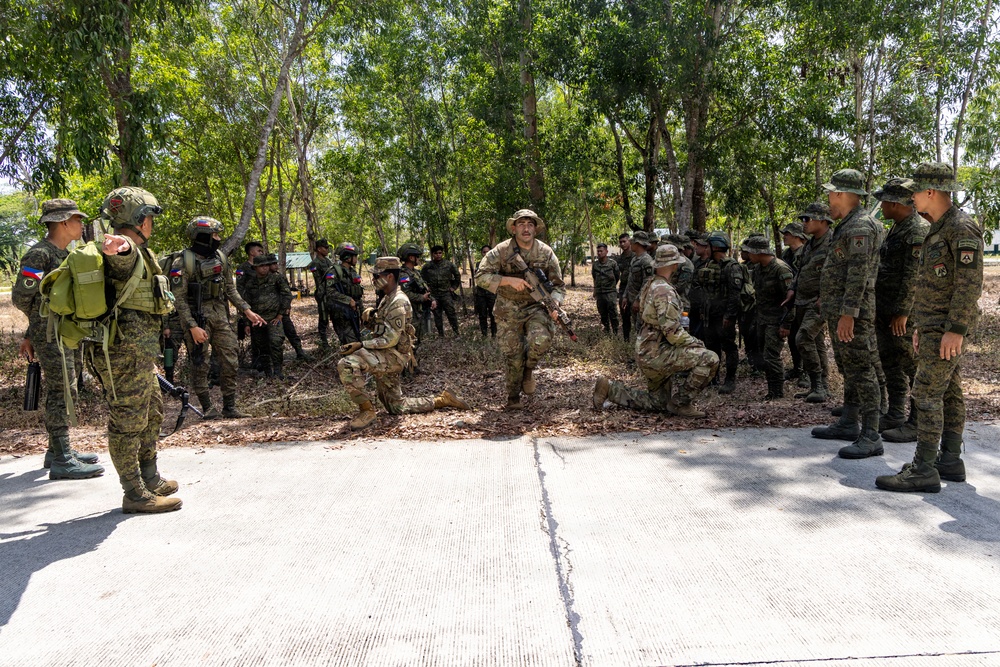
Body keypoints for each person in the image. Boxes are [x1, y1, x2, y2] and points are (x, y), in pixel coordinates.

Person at [876, 163, 984, 493]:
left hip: (947, 326)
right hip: (934, 324)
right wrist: (921, 325)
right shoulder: (938, 227)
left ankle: (923, 468)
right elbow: (930, 283)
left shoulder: (960, 227)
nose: (911, 198)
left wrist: (955, 329)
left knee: (925, 393)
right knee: (948, 392)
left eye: (914, 192)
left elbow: (969, 283)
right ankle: (949, 461)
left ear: (931, 192)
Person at [93, 187, 180, 513]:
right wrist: (121, 246)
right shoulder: (123, 248)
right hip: (122, 353)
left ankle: (149, 478)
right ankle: (134, 494)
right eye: (150, 219)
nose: (151, 225)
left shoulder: (143, 251)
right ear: (140, 221)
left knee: (152, 411)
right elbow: (120, 256)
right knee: (128, 421)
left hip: (139, 353)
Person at [12, 199, 104, 480]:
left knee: (67, 387)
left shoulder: (65, 254)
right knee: (62, 390)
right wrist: (39, 325)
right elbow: (22, 297)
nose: (81, 224)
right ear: (64, 222)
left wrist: (31, 332)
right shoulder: (39, 255)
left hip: (64, 331)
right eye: (78, 219)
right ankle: (63, 460)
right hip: (51, 333)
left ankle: (56, 452)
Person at [338, 256, 469, 430]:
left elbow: (390, 339)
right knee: (396, 407)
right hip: (387, 354)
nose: (374, 279)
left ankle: (367, 412)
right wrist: (371, 320)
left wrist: (361, 345)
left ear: (389, 276)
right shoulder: (388, 298)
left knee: (347, 363)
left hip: (393, 357)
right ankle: (442, 400)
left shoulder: (398, 301)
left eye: (377, 276)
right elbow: (385, 329)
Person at [593, 244, 719, 417]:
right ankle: (680, 404)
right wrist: (696, 343)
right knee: (710, 358)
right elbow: (673, 334)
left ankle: (610, 389)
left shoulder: (651, 284)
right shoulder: (664, 291)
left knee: (658, 402)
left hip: (647, 349)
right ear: (674, 265)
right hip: (657, 353)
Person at [811, 169, 883, 460]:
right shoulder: (849, 224)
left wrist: (848, 314)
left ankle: (871, 435)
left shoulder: (860, 226)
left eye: (831, 193)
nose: (828, 199)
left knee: (863, 372)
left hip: (852, 314)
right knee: (851, 369)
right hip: (840, 310)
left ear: (841, 194)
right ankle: (849, 422)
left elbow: (858, 273)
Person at [168, 217, 265, 419]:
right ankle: (207, 408)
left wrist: (246, 310)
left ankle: (230, 407)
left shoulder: (221, 257)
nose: (219, 239)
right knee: (199, 363)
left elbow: (230, 288)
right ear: (203, 237)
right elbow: (179, 299)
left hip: (219, 313)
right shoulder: (183, 262)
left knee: (230, 357)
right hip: (196, 317)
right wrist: (192, 327)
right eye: (215, 235)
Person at [475, 209, 566, 409]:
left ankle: (529, 370)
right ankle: (513, 397)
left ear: (535, 229)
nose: (526, 228)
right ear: (514, 228)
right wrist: (507, 280)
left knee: (540, 340)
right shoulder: (501, 251)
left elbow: (558, 286)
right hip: (507, 308)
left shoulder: (545, 252)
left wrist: (555, 303)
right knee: (513, 355)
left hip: (536, 306)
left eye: (530, 224)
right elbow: (480, 277)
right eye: (521, 224)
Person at [870, 178, 929, 442]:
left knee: (911, 364)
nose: (881, 206)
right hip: (885, 308)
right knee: (890, 361)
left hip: (904, 314)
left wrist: (903, 312)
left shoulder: (917, 230)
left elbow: (913, 276)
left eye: (884, 201)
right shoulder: (897, 227)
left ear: (895, 203)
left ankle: (918, 421)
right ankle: (895, 413)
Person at [782, 203, 833, 403]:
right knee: (817, 342)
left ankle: (818, 385)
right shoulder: (809, 245)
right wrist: (792, 289)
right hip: (802, 300)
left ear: (823, 220)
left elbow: (837, 273)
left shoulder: (833, 243)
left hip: (819, 301)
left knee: (802, 338)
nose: (804, 223)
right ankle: (820, 387)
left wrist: (825, 296)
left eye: (807, 219)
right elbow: (800, 271)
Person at [744, 236, 794, 399]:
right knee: (765, 356)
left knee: (771, 356)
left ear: (759, 252)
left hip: (777, 320)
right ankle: (771, 389)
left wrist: (786, 324)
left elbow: (791, 301)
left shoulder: (781, 269)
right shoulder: (758, 269)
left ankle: (777, 391)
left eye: (750, 252)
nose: (748, 255)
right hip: (762, 319)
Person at [698, 231, 743, 394]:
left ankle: (730, 380)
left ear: (715, 247)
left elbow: (734, 295)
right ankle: (713, 377)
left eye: (708, 246)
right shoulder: (708, 265)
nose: (706, 249)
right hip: (710, 314)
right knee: (711, 346)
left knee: (728, 346)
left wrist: (729, 316)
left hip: (724, 315)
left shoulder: (731, 267)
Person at [242, 254, 292, 378]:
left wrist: (280, 314)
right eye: (261, 266)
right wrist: (247, 323)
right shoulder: (250, 283)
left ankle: (278, 371)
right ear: (255, 268)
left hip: (274, 318)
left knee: (276, 342)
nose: (264, 268)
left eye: (266, 265)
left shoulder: (276, 279)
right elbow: (246, 304)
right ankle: (268, 372)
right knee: (262, 346)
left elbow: (287, 295)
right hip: (257, 320)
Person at [779, 221, 808, 386]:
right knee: (792, 337)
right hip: (790, 300)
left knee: (804, 339)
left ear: (797, 236)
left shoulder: (804, 252)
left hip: (804, 300)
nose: (784, 237)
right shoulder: (786, 254)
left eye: (787, 234)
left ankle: (807, 372)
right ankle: (797, 368)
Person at [268, 253, 310, 361]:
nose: (276, 266)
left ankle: (300, 352)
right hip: (267, 313)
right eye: (273, 264)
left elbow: (287, 295)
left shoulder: (279, 277)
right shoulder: (262, 279)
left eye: (276, 263)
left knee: (291, 332)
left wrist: (284, 310)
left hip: (281, 312)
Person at [325, 242, 364, 345]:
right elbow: (329, 292)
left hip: (353, 313)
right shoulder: (334, 272)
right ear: (348, 258)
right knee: (350, 344)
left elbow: (357, 295)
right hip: (342, 315)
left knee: (356, 341)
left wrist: (362, 312)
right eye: (355, 256)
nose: (356, 259)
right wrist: (348, 300)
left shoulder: (352, 272)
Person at [422, 245, 462, 337]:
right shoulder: (428, 266)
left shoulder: (449, 264)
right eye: (436, 253)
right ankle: (441, 335)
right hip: (434, 295)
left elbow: (457, 276)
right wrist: (426, 288)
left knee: (451, 313)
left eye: (440, 253)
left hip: (446, 293)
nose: (438, 255)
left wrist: (454, 287)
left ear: (442, 253)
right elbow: (421, 278)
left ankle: (456, 332)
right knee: (437, 315)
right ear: (433, 254)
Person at [307, 239, 334, 349]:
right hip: (323, 294)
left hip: (332, 293)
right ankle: (324, 342)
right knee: (323, 318)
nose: (327, 250)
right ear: (319, 249)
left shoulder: (328, 261)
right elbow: (319, 281)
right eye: (325, 248)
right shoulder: (315, 263)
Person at [623, 231, 654, 327]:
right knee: (637, 327)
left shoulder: (646, 260)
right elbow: (630, 280)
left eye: (632, 242)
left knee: (642, 327)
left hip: (642, 302)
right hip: (632, 299)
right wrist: (625, 296)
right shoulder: (634, 259)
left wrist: (638, 300)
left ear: (638, 244)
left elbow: (647, 282)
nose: (630, 244)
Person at [591, 242, 620, 335]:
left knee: (613, 314)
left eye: (601, 251)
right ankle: (607, 332)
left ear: (606, 251)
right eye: (598, 251)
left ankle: (615, 333)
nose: (599, 253)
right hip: (600, 293)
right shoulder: (595, 265)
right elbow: (594, 277)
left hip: (610, 292)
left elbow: (617, 276)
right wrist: (596, 290)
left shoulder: (612, 263)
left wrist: (612, 286)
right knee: (603, 314)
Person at [665, 234, 695, 312]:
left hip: (680, 304)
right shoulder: (668, 261)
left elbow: (680, 287)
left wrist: (663, 289)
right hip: (666, 302)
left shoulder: (686, 264)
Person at [473, 244, 498, 338]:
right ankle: (484, 335)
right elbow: (477, 277)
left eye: (488, 252)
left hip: (492, 293)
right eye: (484, 252)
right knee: (482, 314)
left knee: (493, 314)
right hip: (481, 293)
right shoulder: (478, 264)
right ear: (481, 253)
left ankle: (494, 334)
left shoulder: (496, 264)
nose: (486, 254)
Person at [615, 233, 635, 339]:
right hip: (623, 287)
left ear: (629, 241)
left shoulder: (635, 256)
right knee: (624, 314)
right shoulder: (620, 258)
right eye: (620, 242)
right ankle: (626, 339)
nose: (622, 244)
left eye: (624, 241)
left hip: (634, 287)